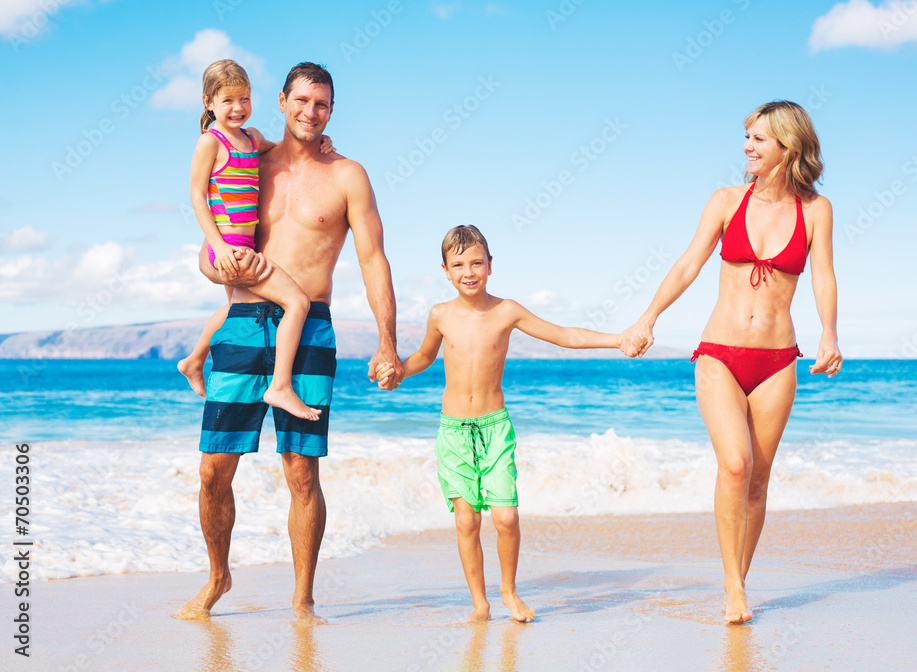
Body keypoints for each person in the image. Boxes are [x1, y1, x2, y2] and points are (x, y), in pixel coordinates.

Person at [175, 62, 402, 624]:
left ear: (331, 111)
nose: (310, 112)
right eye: (301, 100)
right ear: (280, 100)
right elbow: (208, 205)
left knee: (302, 470)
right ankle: (218, 576)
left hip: (312, 327)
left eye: (322, 104)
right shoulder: (251, 156)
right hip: (245, 319)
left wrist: (387, 342)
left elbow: (374, 259)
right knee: (212, 470)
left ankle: (302, 599)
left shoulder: (347, 174)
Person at [619, 101, 842, 624]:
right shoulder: (725, 200)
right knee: (735, 464)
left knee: (759, 479)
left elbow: (824, 276)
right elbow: (689, 262)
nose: (747, 146)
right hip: (719, 354)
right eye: (746, 136)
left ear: (788, 146)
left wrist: (830, 333)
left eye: (759, 138)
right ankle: (730, 584)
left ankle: (738, 583)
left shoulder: (816, 210)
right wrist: (648, 316)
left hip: (778, 362)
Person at [376, 225, 622, 623]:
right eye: (458, 265)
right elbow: (424, 356)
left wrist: (618, 340)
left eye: (476, 262)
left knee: (506, 516)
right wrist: (398, 372)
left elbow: (565, 335)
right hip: (454, 430)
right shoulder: (439, 315)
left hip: (495, 428)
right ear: (445, 270)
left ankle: (508, 590)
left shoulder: (506, 311)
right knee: (466, 520)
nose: (468, 271)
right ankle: (480, 603)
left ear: (490, 266)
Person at [177, 59, 333, 422]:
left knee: (237, 309)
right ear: (208, 102)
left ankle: (194, 359)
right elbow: (197, 197)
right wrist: (218, 246)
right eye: (228, 100)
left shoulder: (252, 139)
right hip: (229, 248)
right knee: (297, 302)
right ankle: (279, 385)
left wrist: (320, 140)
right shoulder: (209, 143)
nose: (237, 108)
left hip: (244, 248)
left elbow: (287, 146)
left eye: (244, 99)